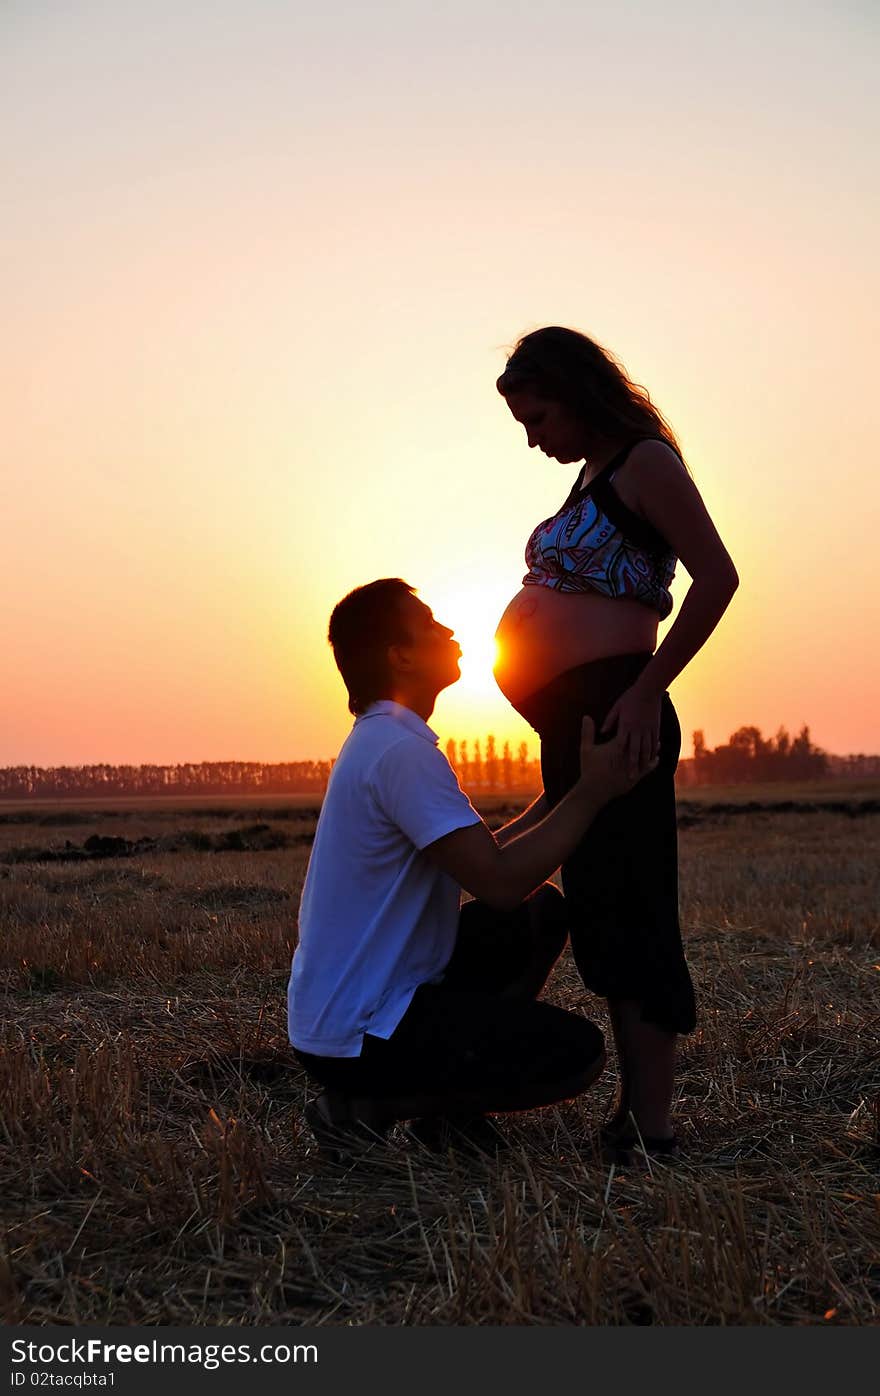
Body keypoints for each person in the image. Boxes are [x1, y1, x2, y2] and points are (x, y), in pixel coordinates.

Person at [288, 577, 655, 1155]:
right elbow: (501, 882)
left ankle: (443, 1112)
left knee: (537, 916)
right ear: (400, 655)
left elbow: (486, 857)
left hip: (346, 1018)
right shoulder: (400, 753)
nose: (449, 630)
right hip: (359, 1034)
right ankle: (364, 1108)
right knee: (575, 1055)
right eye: (431, 623)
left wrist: (566, 792)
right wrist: (593, 795)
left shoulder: (383, 740)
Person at [493, 326, 739, 1159]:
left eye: (538, 417)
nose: (533, 439)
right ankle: (637, 1118)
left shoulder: (645, 464)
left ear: (576, 392)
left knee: (630, 907)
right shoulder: (593, 476)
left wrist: (644, 690)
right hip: (578, 718)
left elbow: (719, 577)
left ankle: (651, 1126)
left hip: (618, 712)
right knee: (599, 906)